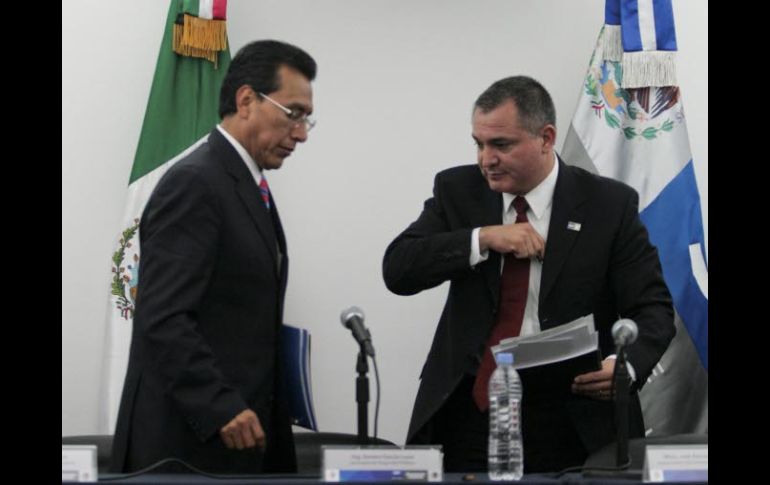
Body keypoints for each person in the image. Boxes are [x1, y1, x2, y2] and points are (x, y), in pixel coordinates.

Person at [382, 76, 675, 473]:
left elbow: (652, 309)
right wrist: (482, 238)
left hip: (571, 416)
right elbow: (399, 268)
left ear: (546, 137)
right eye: (479, 144)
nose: (486, 159)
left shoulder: (608, 205)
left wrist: (627, 365)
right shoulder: (458, 190)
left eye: (501, 144)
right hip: (472, 407)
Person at [110, 40, 317, 474]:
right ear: (246, 100)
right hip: (190, 445)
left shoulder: (243, 182)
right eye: (293, 113)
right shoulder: (196, 183)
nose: (300, 133)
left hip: (239, 439)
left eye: (306, 119)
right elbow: (163, 316)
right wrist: (219, 405)